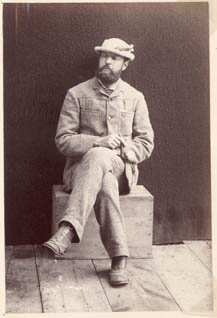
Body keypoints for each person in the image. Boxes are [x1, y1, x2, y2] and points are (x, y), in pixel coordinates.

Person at [43, 38, 154, 286]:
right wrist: (98, 142)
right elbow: (63, 140)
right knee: (101, 169)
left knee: (103, 161)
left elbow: (146, 142)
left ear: (124, 64)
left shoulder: (136, 97)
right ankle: (119, 258)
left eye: (114, 58)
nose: (107, 62)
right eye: (104, 56)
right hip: (80, 173)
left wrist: (127, 151)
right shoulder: (76, 94)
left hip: (122, 171)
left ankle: (68, 229)